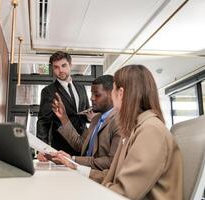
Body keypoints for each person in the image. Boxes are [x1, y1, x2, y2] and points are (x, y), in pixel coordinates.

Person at [56, 65, 183, 200]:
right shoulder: (137, 128)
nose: (92, 98)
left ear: (120, 93)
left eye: (113, 89)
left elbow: (123, 193)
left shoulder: (150, 131)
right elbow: (114, 176)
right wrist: (76, 168)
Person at [41, 75, 120, 171]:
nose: (91, 98)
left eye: (97, 94)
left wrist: (73, 160)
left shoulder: (119, 122)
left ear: (112, 95)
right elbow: (80, 145)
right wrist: (64, 118)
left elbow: (110, 162)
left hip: (99, 179)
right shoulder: (96, 119)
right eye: (91, 94)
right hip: (83, 173)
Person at [36, 51, 90, 155]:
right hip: (61, 147)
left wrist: (89, 117)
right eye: (56, 67)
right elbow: (43, 122)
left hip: (83, 144)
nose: (60, 70)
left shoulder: (81, 88)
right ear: (52, 69)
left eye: (63, 65)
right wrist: (42, 149)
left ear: (70, 65)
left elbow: (85, 115)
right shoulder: (48, 91)